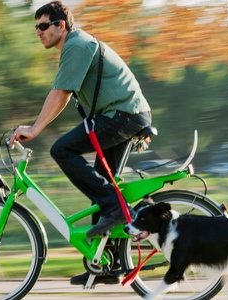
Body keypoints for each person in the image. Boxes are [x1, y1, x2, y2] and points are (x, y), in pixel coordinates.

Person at [11, 1, 152, 285]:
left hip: (123, 115)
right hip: (125, 115)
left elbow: (60, 93)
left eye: (42, 26)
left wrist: (35, 128)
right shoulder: (74, 46)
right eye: (35, 27)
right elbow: (63, 93)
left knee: (61, 150)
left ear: (60, 25)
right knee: (100, 184)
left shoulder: (76, 44)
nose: (38, 32)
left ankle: (117, 207)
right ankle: (107, 266)